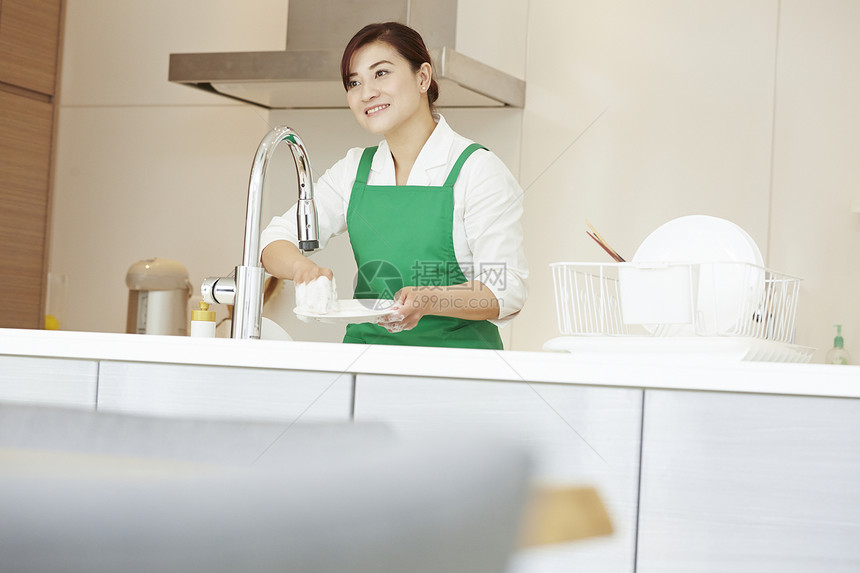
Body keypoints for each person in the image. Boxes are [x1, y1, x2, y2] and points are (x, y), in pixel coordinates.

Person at [260, 22, 527, 350]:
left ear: (423, 77)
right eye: (354, 82)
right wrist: (304, 269)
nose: (366, 92)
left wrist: (429, 300)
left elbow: (506, 289)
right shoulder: (354, 170)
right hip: (367, 365)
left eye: (381, 73)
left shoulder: (477, 170)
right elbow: (275, 239)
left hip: (459, 371)